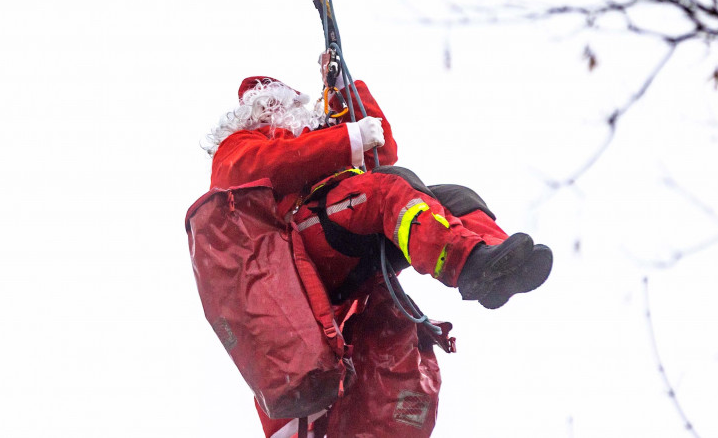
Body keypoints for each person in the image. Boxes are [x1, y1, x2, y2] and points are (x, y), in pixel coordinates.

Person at [202, 64, 552, 438]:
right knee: (388, 190)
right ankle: (465, 265)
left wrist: (345, 91)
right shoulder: (240, 147)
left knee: (450, 197)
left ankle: (493, 261)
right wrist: (346, 140)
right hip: (302, 239)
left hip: (349, 229)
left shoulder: (314, 144)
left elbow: (380, 154)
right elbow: (264, 167)